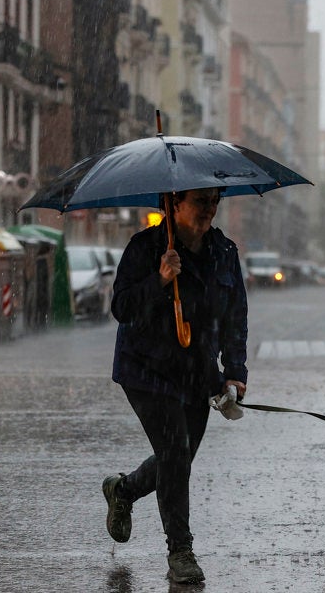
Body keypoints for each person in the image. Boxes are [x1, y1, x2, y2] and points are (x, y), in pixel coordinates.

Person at [102, 187, 248, 584]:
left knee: (178, 459)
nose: (209, 210)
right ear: (172, 204)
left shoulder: (224, 252)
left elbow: (235, 315)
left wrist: (235, 370)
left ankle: (124, 490)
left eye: (214, 201)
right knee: (175, 453)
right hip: (146, 370)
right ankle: (180, 552)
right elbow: (122, 309)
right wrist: (160, 279)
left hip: (197, 372)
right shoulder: (145, 248)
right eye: (200, 201)